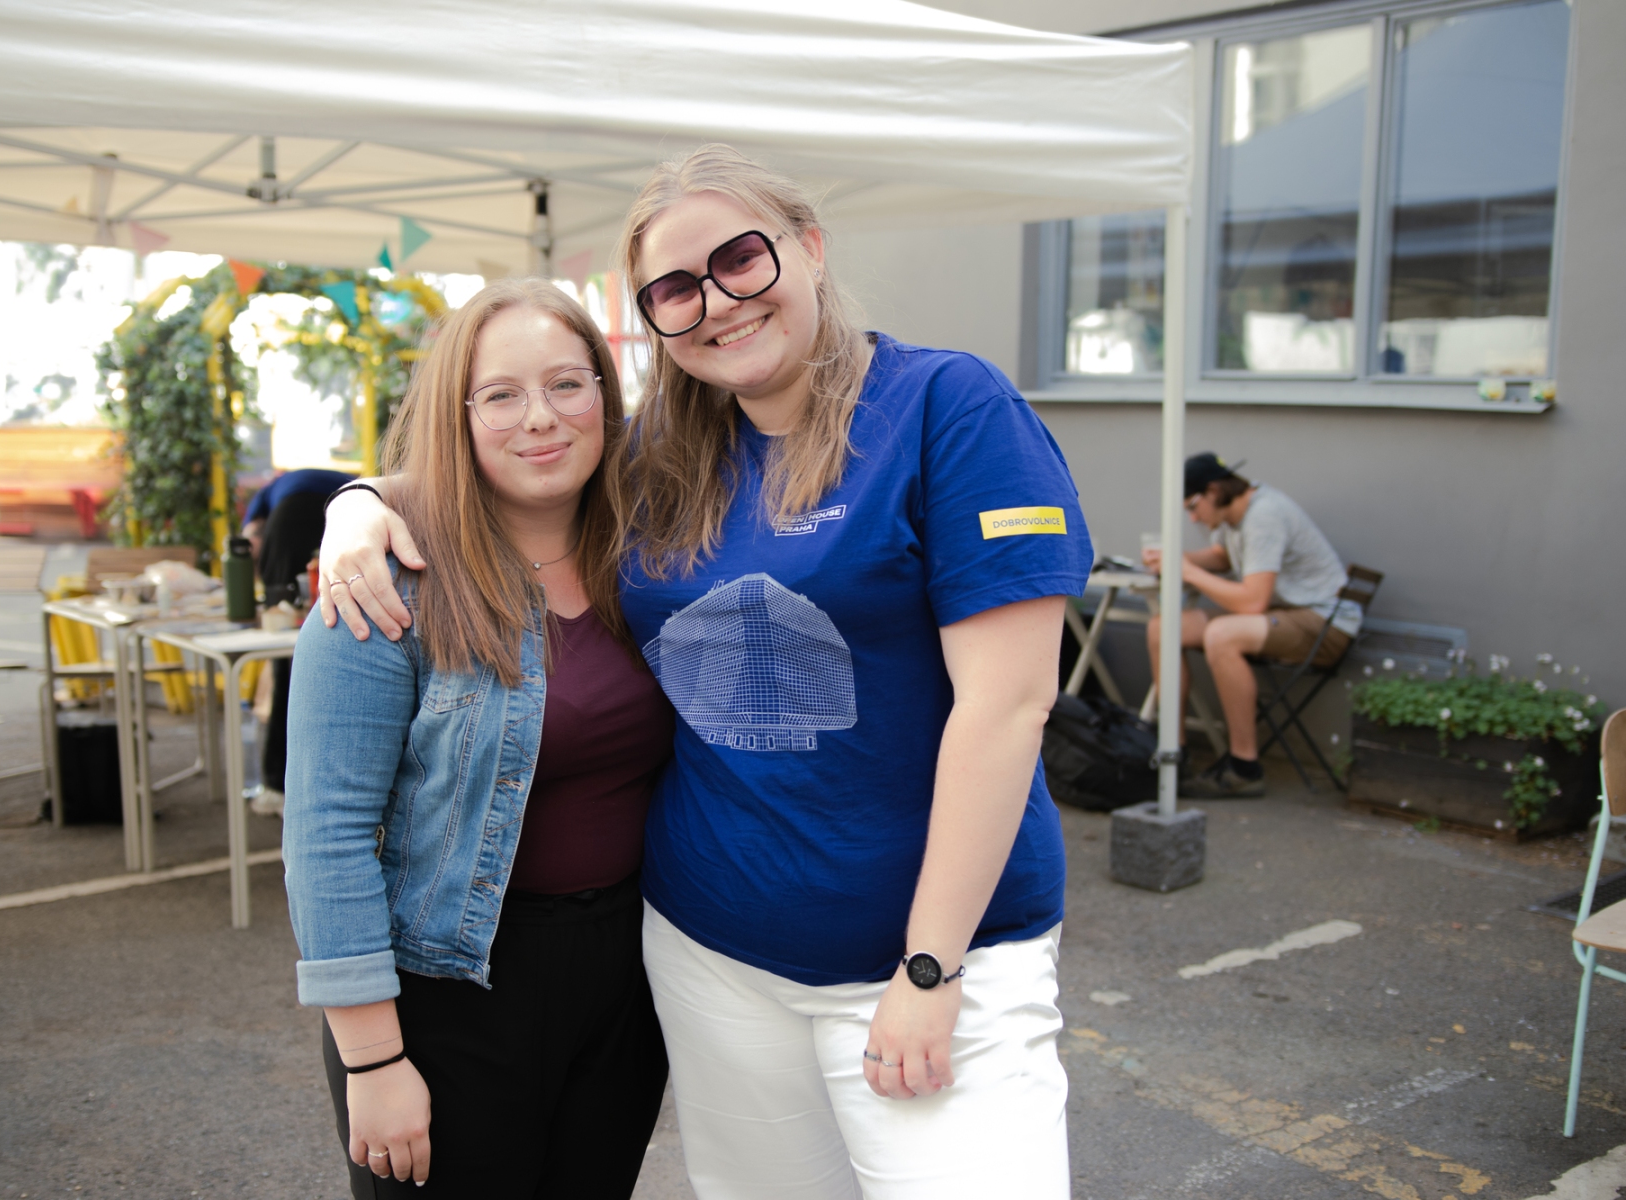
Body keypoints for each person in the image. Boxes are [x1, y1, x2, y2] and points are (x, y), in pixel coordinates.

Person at [318, 145, 1093, 1199]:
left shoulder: (946, 408)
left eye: (740, 260)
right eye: (676, 288)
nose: (718, 302)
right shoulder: (662, 456)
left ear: (809, 248)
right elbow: (511, 457)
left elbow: (1008, 708)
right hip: (711, 954)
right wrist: (360, 501)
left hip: (931, 959)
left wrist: (931, 964)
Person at [282, 279, 672, 1198]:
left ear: (605, 397)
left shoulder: (651, 559)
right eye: (500, 395)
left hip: (626, 981)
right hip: (451, 991)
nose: (539, 417)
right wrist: (374, 1060)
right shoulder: (386, 586)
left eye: (567, 384)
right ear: (456, 417)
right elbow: (327, 836)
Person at [1142, 452, 1359, 799]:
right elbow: (1222, 558)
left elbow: (1252, 602)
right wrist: (1172, 558)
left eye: (1194, 506)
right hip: (1284, 613)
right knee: (1163, 629)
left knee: (1222, 635)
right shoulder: (1234, 516)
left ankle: (1244, 768)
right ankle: (1173, 751)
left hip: (1323, 623)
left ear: (1214, 491)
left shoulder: (1264, 514)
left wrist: (1188, 572)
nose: (1193, 517)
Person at [239, 467, 355, 816]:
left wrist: (262, 568)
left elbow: (251, 536)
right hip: (351, 512)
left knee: (287, 665)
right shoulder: (334, 480)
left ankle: (277, 785)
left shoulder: (268, 498)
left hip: (301, 516)